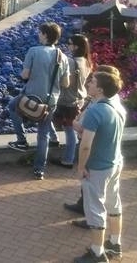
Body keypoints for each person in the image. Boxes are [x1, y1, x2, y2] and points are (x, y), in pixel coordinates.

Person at [71, 70, 125, 263]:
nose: (88, 84)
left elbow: (85, 145)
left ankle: (97, 253)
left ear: (100, 89)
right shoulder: (117, 107)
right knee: (113, 203)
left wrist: (81, 167)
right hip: (115, 162)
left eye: (92, 82)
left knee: (95, 210)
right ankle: (115, 244)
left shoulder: (95, 111)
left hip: (98, 167)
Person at [7, 22, 70, 180]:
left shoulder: (33, 51)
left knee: (12, 106)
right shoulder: (62, 57)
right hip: (50, 102)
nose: (38, 34)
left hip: (30, 98)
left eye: (40, 32)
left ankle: (21, 140)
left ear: (45, 35)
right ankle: (39, 169)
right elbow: (65, 84)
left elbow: (25, 75)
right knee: (43, 134)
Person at [53, 33, 91, 169]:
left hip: (68, 100)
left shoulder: (71, 61)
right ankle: (71, 156)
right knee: (73, 129)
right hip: (80, 98)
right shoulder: (86, 61)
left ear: (76, 46)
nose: (68, 46)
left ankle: (68, 160)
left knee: (69, 130)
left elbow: (66, 83)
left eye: (69, 43)